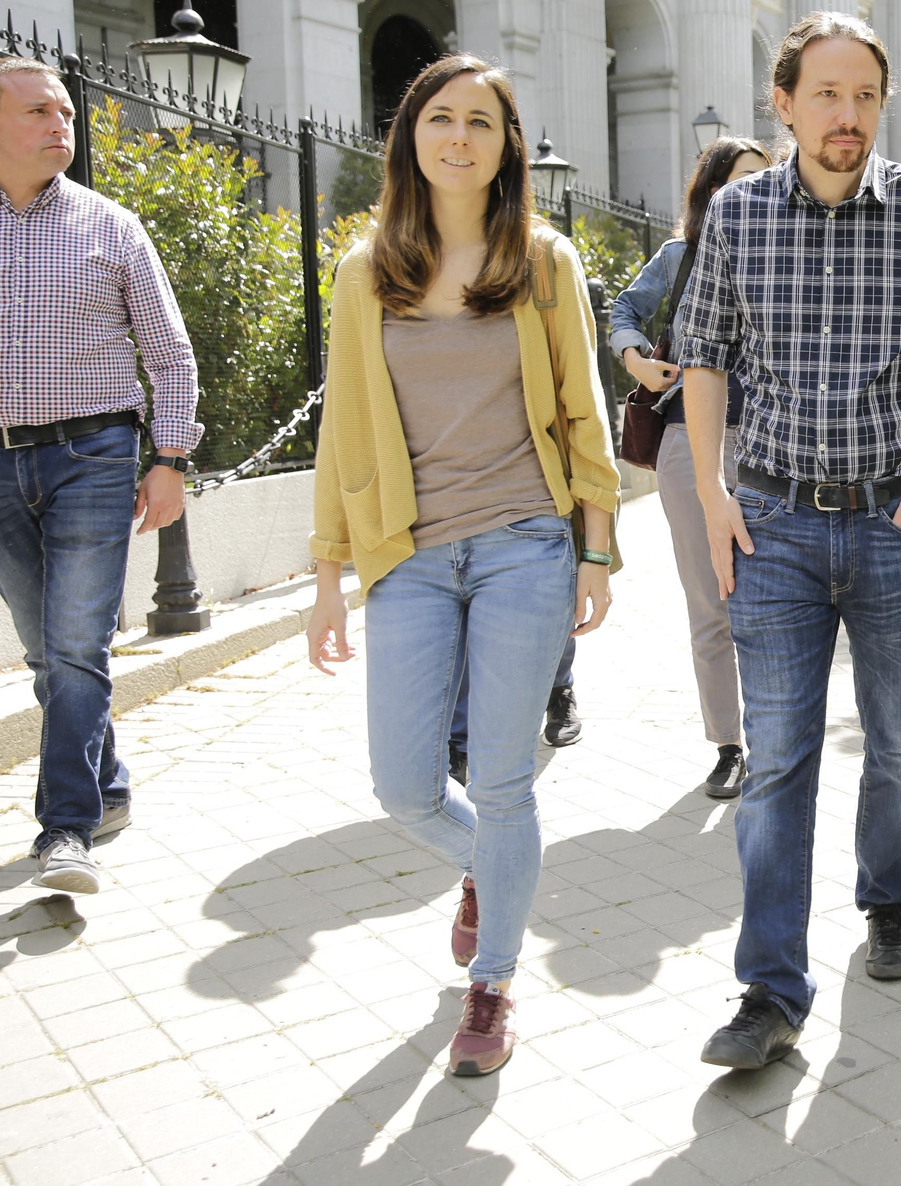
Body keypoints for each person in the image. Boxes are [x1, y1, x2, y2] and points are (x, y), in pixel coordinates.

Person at [675, 13, 901, 1070]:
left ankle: (886, 898)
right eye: (826, 95)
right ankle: (768, 989)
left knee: (897, 743)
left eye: (863, 97)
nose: (846, 116)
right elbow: (702, 354)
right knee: (779, 762)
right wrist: (714, 492)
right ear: (785, 102)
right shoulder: (738, 215)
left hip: (897, 521)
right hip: (772, 528)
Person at [303, 54, 619, 1077]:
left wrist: (595, 548)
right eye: (440, 118)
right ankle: (491, 863)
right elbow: (343, 434)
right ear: (409, 139)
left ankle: (490, 986)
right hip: (409, 553)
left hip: (525, 540)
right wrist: (324, 575)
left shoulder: (542, 260)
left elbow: (582, 408)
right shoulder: (364, 272)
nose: (458, 137)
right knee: (402, 786)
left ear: (504, 148)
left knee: (506, 775)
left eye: (480, 122)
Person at [0, 56, 200, 896]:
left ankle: (63, 828)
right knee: (50, 651)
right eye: (39, 111)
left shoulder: (112, 226)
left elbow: (170, 352)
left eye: (67, 113)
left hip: (96, 458)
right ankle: (106, 782)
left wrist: (171, 458)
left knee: (78, 642)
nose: (60, 127)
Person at [608, 135, 771, 799]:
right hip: (687, 443)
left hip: (773, 447)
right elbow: (623, 312)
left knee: (770, 601)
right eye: (743, 182)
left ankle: (776, 737)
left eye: (769, 180)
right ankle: (728, 744)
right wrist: (639, 358)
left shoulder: (799, 257)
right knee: (711, 601)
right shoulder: (680, 256)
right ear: (711, 194)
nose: (759, 194)